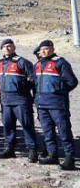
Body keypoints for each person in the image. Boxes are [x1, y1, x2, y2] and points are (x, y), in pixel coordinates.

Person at [33, 40, 78, 170]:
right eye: (41, 49)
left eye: (46, 49)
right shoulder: (38, 65)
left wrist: (57, 92)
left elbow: (72, 82)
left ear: (52, 49)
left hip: (57, 104)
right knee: (47, 131)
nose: (43, 51)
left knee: (64, 131)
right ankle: (52, 154)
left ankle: (69, 158)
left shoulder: (60, 63)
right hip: (42, 104)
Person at [0, 39, 38, 163]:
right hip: (5, 100)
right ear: (2, 49)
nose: (7, 48)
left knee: (27, 125)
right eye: (5, 46)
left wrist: (23, 88)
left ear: (14, 47)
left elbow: (33, 80)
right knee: (8, 125)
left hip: (21, 99)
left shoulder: (22, 62)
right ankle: (10, 148)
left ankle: (32, 149)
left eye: (9, 46)